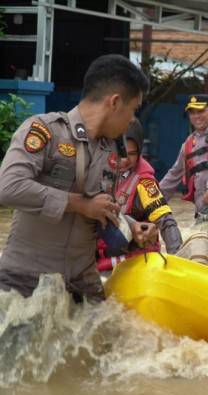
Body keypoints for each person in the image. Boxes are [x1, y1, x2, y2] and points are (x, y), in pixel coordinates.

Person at [0, 54, 156, 302]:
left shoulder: (112, 151)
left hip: (83, 285)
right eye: (133, 110)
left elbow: (101, 209)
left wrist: (131, 227)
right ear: (114, 102)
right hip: (25, 282)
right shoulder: (45, 131)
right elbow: (8, 188)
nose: (132, 120)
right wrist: (79, 204)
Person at [96, 119, 182, 272]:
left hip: (132, 258)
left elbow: (167, 222)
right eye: (119, 153)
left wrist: (179, 262)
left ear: (140, 152)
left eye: (132, 154)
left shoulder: (144, 183)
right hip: (101, 255)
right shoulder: (99, 169)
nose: (123, 160)